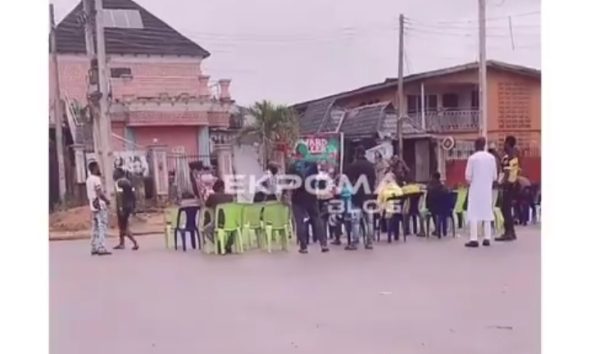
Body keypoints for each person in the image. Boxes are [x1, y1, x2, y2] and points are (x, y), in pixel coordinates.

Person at [286, 160, 329, 254]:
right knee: (317, 219)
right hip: (311, 196)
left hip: (298, 197)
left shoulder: (293, 165)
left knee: (300, 221)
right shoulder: (312, 164)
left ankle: (303, 246)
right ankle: (323, 244)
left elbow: (288, 182)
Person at [464, 137, 498, 248]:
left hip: (475, 190)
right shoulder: (491, 158)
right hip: (487, 190)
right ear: (485, 145)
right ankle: (487, 238)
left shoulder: (472, 158)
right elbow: (494, 177)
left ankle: (474, 238)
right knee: (487, 212)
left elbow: (468, 177)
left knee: (474, 213)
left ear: (475, 145)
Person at [343, 145, 376, 250]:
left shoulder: (354, 165)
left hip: (357, 195)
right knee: (369, 220)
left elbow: (348, 178)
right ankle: (369, 242)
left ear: (356, 154)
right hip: (369, 195)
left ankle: (355, 242)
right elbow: (374, 180)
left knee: (355, 220)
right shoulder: (370, 166)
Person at [496, 135, 520, 242]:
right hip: (512, 184)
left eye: (504, 143)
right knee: (507, 209)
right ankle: (511, 231)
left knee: (504, 209)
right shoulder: (514, 156)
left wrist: (501, 183)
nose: (503, 145)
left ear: (508, 144)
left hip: (507, 185)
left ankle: (508, 232)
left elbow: (506, 172)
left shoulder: (507, 157)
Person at [86, 161, 112, 256]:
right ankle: (101, 247)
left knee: (95, 227)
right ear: (94, 168)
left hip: (92, 205)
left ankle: (93, 247)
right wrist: (107, 200)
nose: (99, 169)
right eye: (97, 167)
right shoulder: (96, 179)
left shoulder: (88, 180)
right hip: (100, 205)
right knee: (102, 226)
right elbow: (99, 193)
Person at [203, 179, 235, 253]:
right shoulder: (230, 196)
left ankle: (219, 244)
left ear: (215, 188)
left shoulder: (212, 196)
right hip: (230, 221)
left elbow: (207, 205)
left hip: (218, 222)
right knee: (234, 230)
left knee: (206, 230)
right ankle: (228, 244)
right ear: (224, 187)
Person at [112, 168, 140, 250]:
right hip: (129, 206)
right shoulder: (128, 182)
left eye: (115, 173)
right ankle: (121, 243)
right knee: (122, 225)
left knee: (124, 227)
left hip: (123, 207)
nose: (113, 175)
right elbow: (133, 195)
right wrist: (133, 206)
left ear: (118, 174)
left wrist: (120, 208)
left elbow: (120, 196)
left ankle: (135, 242)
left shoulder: (119, 183)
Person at [426, 172, 449, 237]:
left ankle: (437, 228)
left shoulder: (431, 187)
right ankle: (444, 230)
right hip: (443, 207)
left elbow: (428, 199)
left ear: (433, 178)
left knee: (434, 213)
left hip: (434, 207)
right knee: (442, 213)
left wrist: (427, 206)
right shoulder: (443, 187)